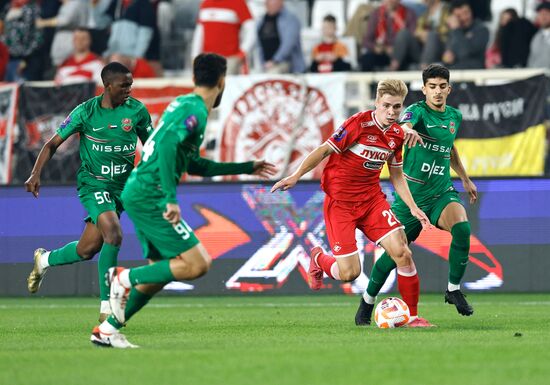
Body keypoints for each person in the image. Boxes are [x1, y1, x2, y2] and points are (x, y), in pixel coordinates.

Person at [91, 53, 277, 348]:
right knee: (197, 263)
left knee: (160, 272)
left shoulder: (183, 104)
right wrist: (169, 198)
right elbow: (165, 147)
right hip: (150, 195)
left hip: (138, 191)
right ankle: (123, 277)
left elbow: (193, 164)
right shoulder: (196, 111)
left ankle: (108, 330)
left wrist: (245, 167)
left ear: (194, 79)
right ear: (221, 81)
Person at [271, 79, 433, 328]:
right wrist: (295, 176)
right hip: (341, 204)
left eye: (397, 107)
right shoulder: (358, 124)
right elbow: (324, 150)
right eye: (387, 106)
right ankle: (318, 259)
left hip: (371, 201)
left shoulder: (397, 135)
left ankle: (412, 317)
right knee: (349, 274)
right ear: (377, 103)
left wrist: (412, 207)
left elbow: (397, 175)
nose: (391, 112)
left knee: (403, 252)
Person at [25, 62, 153, 323]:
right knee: (114, 234)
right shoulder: (85, 112)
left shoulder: (137, 111)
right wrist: (36, 173)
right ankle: (107, 305)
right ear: (108, 86)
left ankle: (44, 260)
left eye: (131, 84)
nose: (129, 89)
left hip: (122, 188)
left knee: (88, 249)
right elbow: (52, 144)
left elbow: (151, 145)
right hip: (93, 184)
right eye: (124, 85)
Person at [356, 64, 478, 326]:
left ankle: (453, 289)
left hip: (441, 192)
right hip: (411, 198)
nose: (437, 92)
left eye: (442, 87)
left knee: (463, 228)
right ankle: (367, 301)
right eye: (432, 87)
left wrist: (465, 179)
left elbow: (449, 148)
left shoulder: (454, 116)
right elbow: (405, 122)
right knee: (395, 255)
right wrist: (407, 129)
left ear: (449, 89)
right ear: (423, 89)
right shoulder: (416, 111)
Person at [191, 0, 256, 75]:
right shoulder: (205, 4)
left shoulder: (238, 2)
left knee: (229, 86)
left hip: (229, 61)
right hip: (207, 61)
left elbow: (251, 30)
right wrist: (194, 56)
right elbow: (199, 33)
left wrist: (242, 53)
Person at [256, 0, 305, 74]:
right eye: (267, 2)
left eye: (271, 2)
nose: (267, 4)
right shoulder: (262, 20)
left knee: (272, 74)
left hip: (285, 63)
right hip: (266, 64)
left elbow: (288, 44)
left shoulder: (290, 19)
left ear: (280, 2)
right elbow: (259, 45)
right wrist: (263, 63)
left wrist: (275, 61)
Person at [442, 0, 489, 69]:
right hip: (454, 72)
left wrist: (456, 30)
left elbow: (465, 53)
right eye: (459, 16)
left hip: (474, 73)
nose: (464, 18)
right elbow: (448, 56)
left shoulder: (481, 29)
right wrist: (447, 58)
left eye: (466, 13)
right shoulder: (452, 32)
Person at [527, 2, 550, 69]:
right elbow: (532, 60)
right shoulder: (536, 37)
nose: (543, 17)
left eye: (546, 13)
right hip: (537, 77)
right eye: (540, 14)